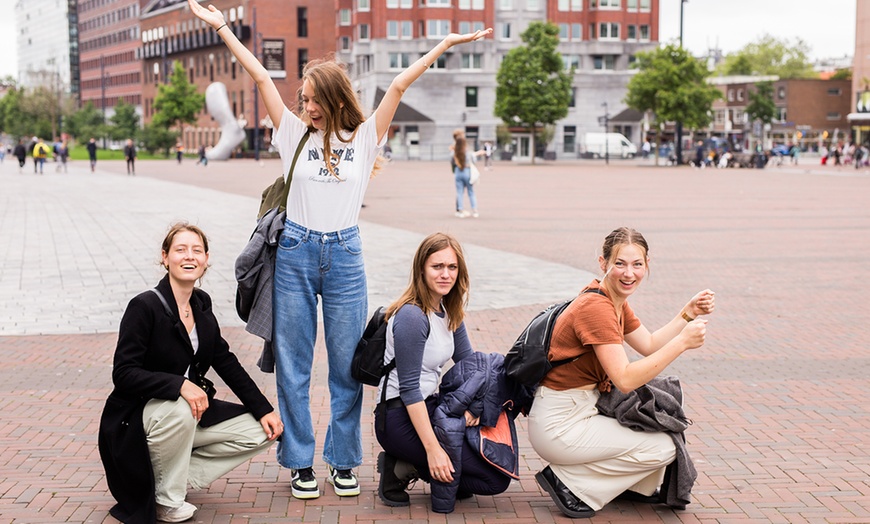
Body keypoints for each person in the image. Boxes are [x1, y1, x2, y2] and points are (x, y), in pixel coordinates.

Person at [187, 0, 492, 500]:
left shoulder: (364, 137)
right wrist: (222, 26)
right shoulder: (293, 134)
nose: (306, 106)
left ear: (332, 98)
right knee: (293, 364)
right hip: (296, 252)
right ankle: (299, 462)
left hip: (346, 255)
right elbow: (261, 75)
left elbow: (399, 84)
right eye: (303, 99)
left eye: (313, 99)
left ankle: (343, 460)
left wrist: (445, 44)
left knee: (348, 365)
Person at [98, 223, 283, 523]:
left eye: (197, 250)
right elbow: (124, 373)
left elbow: (225, 361)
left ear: (206, 259)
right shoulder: (144, 306)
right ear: (165, 257)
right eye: (180, 249)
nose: (189, 256)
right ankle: (167, 502)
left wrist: (264, 409)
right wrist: (179, 385)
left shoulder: (201, 303)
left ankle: (168, 481)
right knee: (182, 408)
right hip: (138, 418)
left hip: (186, 414)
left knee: (261, 432)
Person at [528, 227, 715, 519]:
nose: (629, 273)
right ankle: (570, 483)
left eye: (637, 264)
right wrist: (682, 343)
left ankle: (631, 485)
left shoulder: (612, 300)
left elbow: (649, 344)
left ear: (647, 264)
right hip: (560, 425)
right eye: (620, 263)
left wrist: (687, 313)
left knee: (660, 423)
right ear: (602, 263)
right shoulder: (596, 308)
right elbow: (625, 379)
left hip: (579, 411)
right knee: (665, 448)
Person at [374, 232, 512, 511]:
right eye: (437, 266)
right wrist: (433, 450)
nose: (445, 274)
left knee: (495, 472)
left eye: (452, 267)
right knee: (491, 480)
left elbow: (471, 366)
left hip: (432, 407)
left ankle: (422, 464)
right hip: (399, 416)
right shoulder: (412, 316)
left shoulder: (449, 310)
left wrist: (476, 408)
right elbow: (409, 390)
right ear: (421, 270)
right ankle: (400, 466)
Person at [452, 134, 480, 218]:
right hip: (467, 171)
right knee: (471, 192)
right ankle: (474, 210)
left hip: (458, 171)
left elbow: (452, 162)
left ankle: (460, 210)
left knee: (459, 192)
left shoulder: (454, 152)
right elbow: (474, 161)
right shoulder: (468, 152)